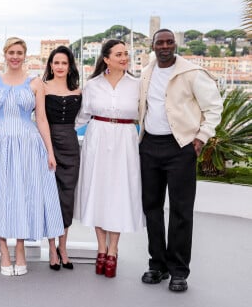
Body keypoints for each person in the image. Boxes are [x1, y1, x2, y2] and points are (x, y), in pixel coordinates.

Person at [0, 37, 64, 276]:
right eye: (11, 52)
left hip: (27, 145)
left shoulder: (35, 83)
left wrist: (50, 152)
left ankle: (20, 249)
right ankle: (3, 250)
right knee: (1, 193)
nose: (15, 56)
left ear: (25, 55)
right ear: (5, 54)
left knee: (24, 194)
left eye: (19, 52)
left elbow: (41, 119)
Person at [139, 29, 222, 292]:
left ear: (175, 45)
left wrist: (201, 138)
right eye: (159, 43)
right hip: (150, 146)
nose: (164, 46)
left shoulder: (192, 73)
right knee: (151, 208)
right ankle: (157, 265)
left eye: (169, 42)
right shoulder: (146, 73)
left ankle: (178, 271)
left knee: (181, 211)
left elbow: (214, 107)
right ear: (152, 46)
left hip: (181, 147)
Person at [74, 39, 144, 279]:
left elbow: (147, 113)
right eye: (119, 54)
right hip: (97, 140)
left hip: (125, 140)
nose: (124, 58)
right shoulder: (92, 85)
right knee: (99, 192)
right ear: (106, 59)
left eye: (126, 54)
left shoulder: (137, 85)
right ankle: (101, 248)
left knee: (119, 193)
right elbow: (81, 117)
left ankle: (113, 249)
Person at [42, 46, 81, 271]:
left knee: (67, 196)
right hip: (47, 144)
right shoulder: (41, 87)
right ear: (50, 65)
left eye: (64, 63)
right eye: (56, 63)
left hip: (70, 145)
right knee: (50, 196)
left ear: (69, 66)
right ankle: (51, 248)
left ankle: (63, 247)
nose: (59, 67)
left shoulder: (78, 91)